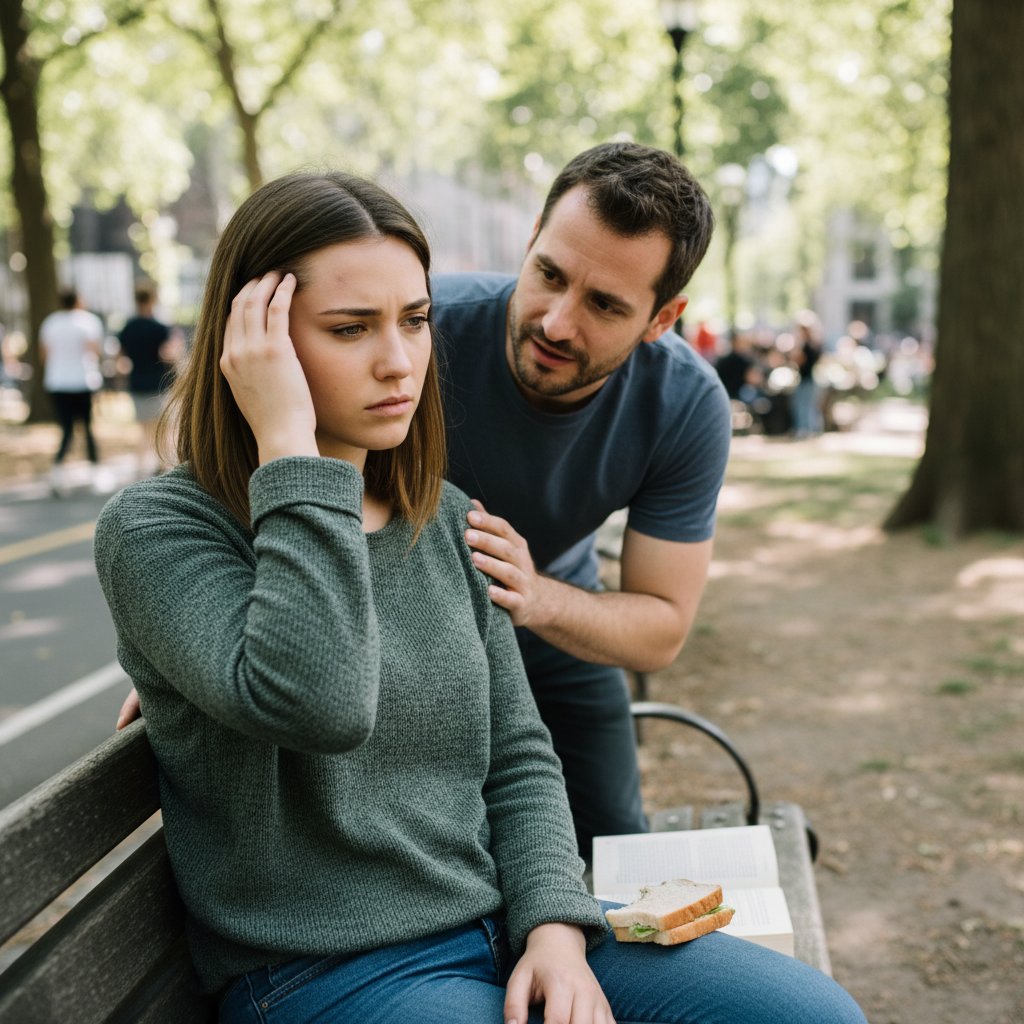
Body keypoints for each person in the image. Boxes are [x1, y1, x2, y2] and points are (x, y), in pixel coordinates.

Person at [95, 170, 866, 1024]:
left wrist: (555, 930)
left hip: (498, 926)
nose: (400, 360)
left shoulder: (447, 516)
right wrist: (288, 445)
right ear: (255, 344)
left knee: (816, 1016)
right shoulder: (158, 528)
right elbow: (322, 706)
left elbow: (519, 755)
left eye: (414, 320)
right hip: (327, 971)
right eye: (351, 329)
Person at [432, 143, 733, 857]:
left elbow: (662, 626)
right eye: (549, 275)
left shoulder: (686, 406)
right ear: (532, 238)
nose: (558, 323)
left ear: (662, 319)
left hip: (557, 616)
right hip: (396, 625)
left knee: (617, 859)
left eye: (604, 304)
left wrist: (535, 598)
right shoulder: (418, 330)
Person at [39, 287, 104, 494]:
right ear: (77, 300)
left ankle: (57, 473)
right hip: (83, 381)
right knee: (87, 427)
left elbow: (44, 354)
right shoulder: (88, 321)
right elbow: (95, 350)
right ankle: (94, 472)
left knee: (66, 429)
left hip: (57, 382)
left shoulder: (50, 322)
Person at [117, 283, 183, 477]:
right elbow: (168, 355)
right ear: (152, 300)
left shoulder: (127, 328)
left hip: (136, 382)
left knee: (143, 429)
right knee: (161, 429)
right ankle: (162, 466)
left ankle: (139, 468)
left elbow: (120, 357)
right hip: (158, 382)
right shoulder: (160, 328)